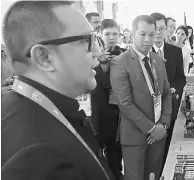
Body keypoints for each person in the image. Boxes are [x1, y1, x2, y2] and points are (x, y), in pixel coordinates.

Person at [2, 1, 113, 180]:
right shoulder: (36, 159)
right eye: (88, 41)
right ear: (44, 57)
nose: (98, 51)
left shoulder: (16, 104)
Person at [110, 15, 172, 180]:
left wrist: (163, 124)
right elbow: (125, 103)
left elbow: (166, 93)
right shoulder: (120, 62)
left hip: (158, 134)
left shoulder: (158, 60)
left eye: (151, 34)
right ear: (132, 34)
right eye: (142, 34)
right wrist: (152, 128)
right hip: (135, 136)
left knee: (154, 176)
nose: (147, 39)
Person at [150, 12, 186, 170]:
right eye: (155, 28)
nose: (158, 32)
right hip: (150, 108)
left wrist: (174, 89)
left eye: (162, 28)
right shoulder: (144, 52)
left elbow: (181, 77)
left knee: (169, 141)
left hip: (170, 103)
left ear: (166, 30)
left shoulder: (175, 51)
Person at [92, 19, 127, 180]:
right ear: (100, 34)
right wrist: (103, 62)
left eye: (114, 34)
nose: (111, 37)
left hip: (121, 110)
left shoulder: (125, 56)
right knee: (105, 150)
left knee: (118, 148)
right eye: (107, 34)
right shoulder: (92, 58)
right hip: (101, 110)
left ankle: (117, 174)